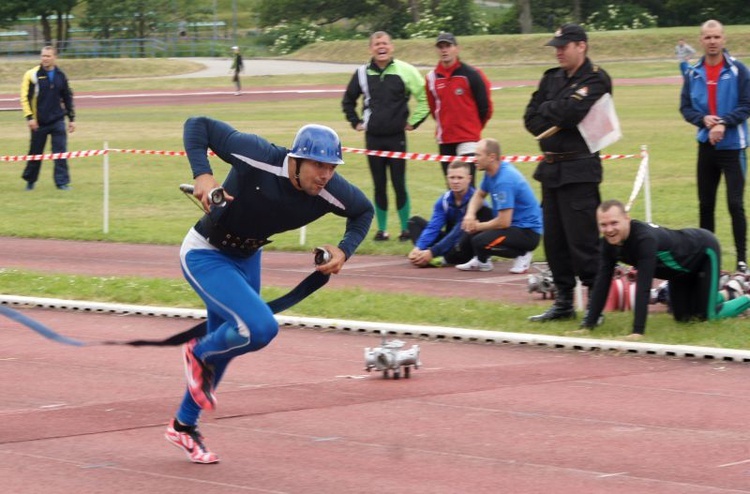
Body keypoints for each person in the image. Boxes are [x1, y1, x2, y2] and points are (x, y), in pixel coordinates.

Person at [165, 117, 374, 463]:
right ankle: (197, 353)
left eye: (332, 167)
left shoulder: (328, 189)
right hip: (206, 253)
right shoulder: (258, 154)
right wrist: (202, 173)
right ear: (296, 159)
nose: (324, 175)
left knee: (231, 340)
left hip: (248, 258)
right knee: (259, 328)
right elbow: (197, 124)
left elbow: (363, 211)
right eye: (318, 165)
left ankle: (183, 426)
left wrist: (344, 249)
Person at [523, 23, 612, 321]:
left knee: (583, 240)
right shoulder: (551, 78)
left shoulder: (596, 79)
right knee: (556, 241)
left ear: (581, 45)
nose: (558, 51)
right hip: (551, 167)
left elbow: (573, 113)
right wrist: (557, 109)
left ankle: (594, 304)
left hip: (579, 168)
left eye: (564, 46)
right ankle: (563, 302)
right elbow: (531, 120)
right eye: (556, 46)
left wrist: (552, 109)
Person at [580, 199, 750, 340]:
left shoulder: (644, 240)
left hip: (704, 251)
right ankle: (727, 293)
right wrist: (588, 325)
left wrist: (637, 331)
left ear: (627, 218)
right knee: (683, 319)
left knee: (708, 316)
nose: (609, 230)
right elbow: (602, 282)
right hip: (678, 273)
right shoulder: (607, 245)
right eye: (603, 225)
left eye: (614, 223)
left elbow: (644, 287)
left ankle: (745, 297)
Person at [342, 31, 429, 242]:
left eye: (385, 43)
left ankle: (405, 229)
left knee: (399, 183)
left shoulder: (405, 70)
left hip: (397, 137)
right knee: (379, 184)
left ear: (392, 46)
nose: (381, 47)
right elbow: (348, 100)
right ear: (370, 48)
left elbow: (425, 98)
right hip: (373, 139)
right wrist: (356, 122)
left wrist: (413, 122)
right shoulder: (362, 73)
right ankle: (382, 230)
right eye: (377, 44)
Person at [679, 19, 750, 274]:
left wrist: (724, 123)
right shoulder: (693, 72)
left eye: (716, 37)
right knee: (705, 204)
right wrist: (703, 120)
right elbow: (685, 108)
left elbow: (746, 104)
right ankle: (708, 259)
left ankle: (742, 260)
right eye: (708, 38)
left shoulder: (739, 70)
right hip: (706, 147)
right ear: (701, 40)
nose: (712, 42)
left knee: (735, 204)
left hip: (733, 147)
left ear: (724, 39)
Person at [457, 138, 542, 274]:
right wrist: (470, 215)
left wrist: (477, 226)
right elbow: (479, 195)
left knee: (479, 241)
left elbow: (504, 222)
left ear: (491, 157)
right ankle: (481, 259)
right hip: (511, 226)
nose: (474, 159)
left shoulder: (504, 181)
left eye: (478, 155)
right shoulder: (491, 172)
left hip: (527, 232)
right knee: (468, 241)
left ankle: (522, 253)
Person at [425, 32, 493, 187]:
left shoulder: (472, 74)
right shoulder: (431, 78)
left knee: (467, 186)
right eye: (440, 47)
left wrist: (473, 128)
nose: (444, 50)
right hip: (445, 139)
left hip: (468, 139)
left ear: (457, 49)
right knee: (452, 186)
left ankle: (471, 212)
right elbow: (433, 107)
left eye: (448, 46)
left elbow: (485, 107)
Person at [407, 160, 491, 267]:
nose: (456, 181)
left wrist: (432, 252)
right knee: (414, 222)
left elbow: (458, 232)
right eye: (452, 178)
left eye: (460, 178)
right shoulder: (444, 200)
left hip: (466, 244)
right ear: (447, 179)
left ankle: (440, 258)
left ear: (469, 179)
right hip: (450, 241)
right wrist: (418, 248)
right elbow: (433, 227)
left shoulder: (476, 200)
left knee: (463, 233)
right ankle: (422, 256)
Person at [20, 45, 76, 191]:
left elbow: (67, 97)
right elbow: (25, 97)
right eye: (43, 56)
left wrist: (71, 118)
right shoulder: (32, 75)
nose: (44, 58)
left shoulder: (60, 75)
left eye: (48, 56)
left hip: (57, 120)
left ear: (54, 57)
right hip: (39, 122)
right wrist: (30, 117)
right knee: (35, 153)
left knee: (60, 152)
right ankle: (30, 181)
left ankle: (62, 183)